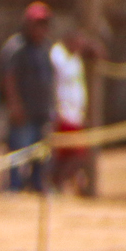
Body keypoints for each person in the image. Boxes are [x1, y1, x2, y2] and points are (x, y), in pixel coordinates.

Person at [0, 2, 55, 192]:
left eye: (44, 24)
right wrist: (14, 105)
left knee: (41, 152)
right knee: (19, 149)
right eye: (37, 24)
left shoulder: (46, 47)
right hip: (24, 111)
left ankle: (37, 184)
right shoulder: (16, 47)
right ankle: (14, 186)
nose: (41, 29)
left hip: (42, 111)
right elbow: (8, 77)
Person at [50, 23, 91, 194]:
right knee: (67, 154)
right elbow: (55, 83)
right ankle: (56, 184)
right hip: (63, 113)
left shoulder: (76, 59)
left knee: (76, 154)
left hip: (75, 115)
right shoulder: (57, 55)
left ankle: (62, 184)